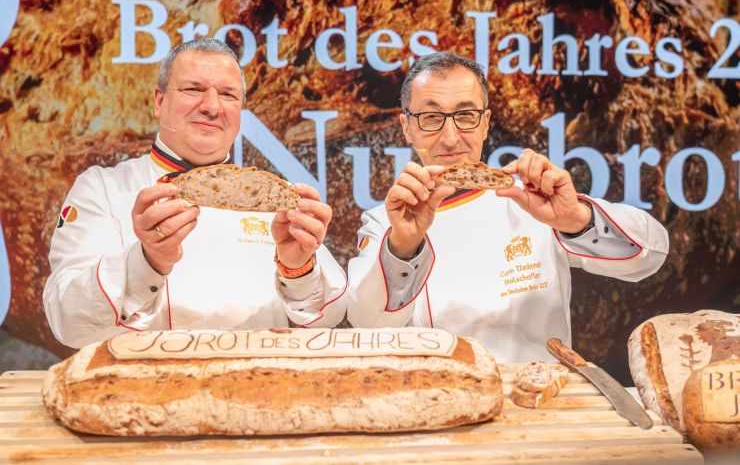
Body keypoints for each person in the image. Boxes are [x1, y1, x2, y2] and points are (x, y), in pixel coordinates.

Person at [346, 52, 669, 363]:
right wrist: (403, 247)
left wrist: (576, 220)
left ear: (485, 123)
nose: (450, 137)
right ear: (407, 127)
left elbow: (649, 255)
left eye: (465, 116)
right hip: (440, 405)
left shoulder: (534, 200)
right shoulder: (385, 222)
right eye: (431, 118)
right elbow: (367, 324)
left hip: (537, 406)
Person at [43, 39, 347, 348]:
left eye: (228, 94)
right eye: (193, 89)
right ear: (159, 102)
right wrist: (146, 262)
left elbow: (329, 314)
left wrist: (297, 269)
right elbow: (68, 323)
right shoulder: (103, 189)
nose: (212, 107)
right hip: (144, 390)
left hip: (255, 385)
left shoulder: (272, 199)